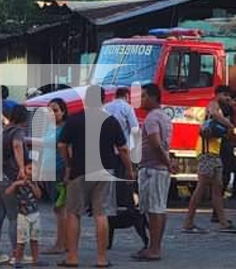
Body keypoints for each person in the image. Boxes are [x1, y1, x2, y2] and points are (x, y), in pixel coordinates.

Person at [58, 85, 134, 268]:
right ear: (103, 100)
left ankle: (72, 258)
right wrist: (130, 170)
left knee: (74, 213)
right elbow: (123, 148)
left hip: (79, 171)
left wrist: (68, 163)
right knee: (102, 214)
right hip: (105, 170)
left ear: (85, 99)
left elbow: (61, 145)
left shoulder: (75, 120)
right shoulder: (110, 121)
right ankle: (101, 259)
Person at [183, 86, 236, 234]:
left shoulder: (225, 110)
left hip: (214, 153)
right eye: (225, 94)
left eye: (229, 95)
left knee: (217, 190)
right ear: (217, 95)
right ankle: (188, 222)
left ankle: (223, 223)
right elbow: (214, 114)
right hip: (207, 152)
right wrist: (229, 125)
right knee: (201, 188)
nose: (227, 98)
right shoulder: (213, 105)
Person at [0, 103, 27, 266]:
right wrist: (22, 168)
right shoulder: (17, 131)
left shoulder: (1, 129)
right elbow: (17, 145)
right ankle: (16, 254)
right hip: (7, 177)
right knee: (14, 216)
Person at [133, 83, 173, 262]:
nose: (141, 100)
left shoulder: (151, 119)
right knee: (158, 209)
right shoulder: (164, 116)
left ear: (153, 97)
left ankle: (154, 249)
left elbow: (156, 144)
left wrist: (167, 163)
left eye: (143, 96)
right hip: (158, 168)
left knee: (154, 210)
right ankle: (154, 246)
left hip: (153, 168)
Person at [6, 161, 44, 269]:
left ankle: (36, 259)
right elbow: (7, 192)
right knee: (21, 240)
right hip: (23, 215)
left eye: (35, 170)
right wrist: (16, 184)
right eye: (30, 169)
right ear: (24, 170)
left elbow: (39, 195)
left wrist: (33, 185)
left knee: (35, 239)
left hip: (35, 214)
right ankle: (18, 261)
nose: (32, 172)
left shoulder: (36, 183)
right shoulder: (18, 182)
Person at [42, 98, 68, 256]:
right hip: (49, 171)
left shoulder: (64, 129)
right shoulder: (50, 128)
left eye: (55, 110)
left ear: (63, 112)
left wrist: (66, 172)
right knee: (57, 209)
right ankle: (62, 242)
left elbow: (67, 153)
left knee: (61, 209)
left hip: (59, 171)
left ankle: (61, 244)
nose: (51, 113)